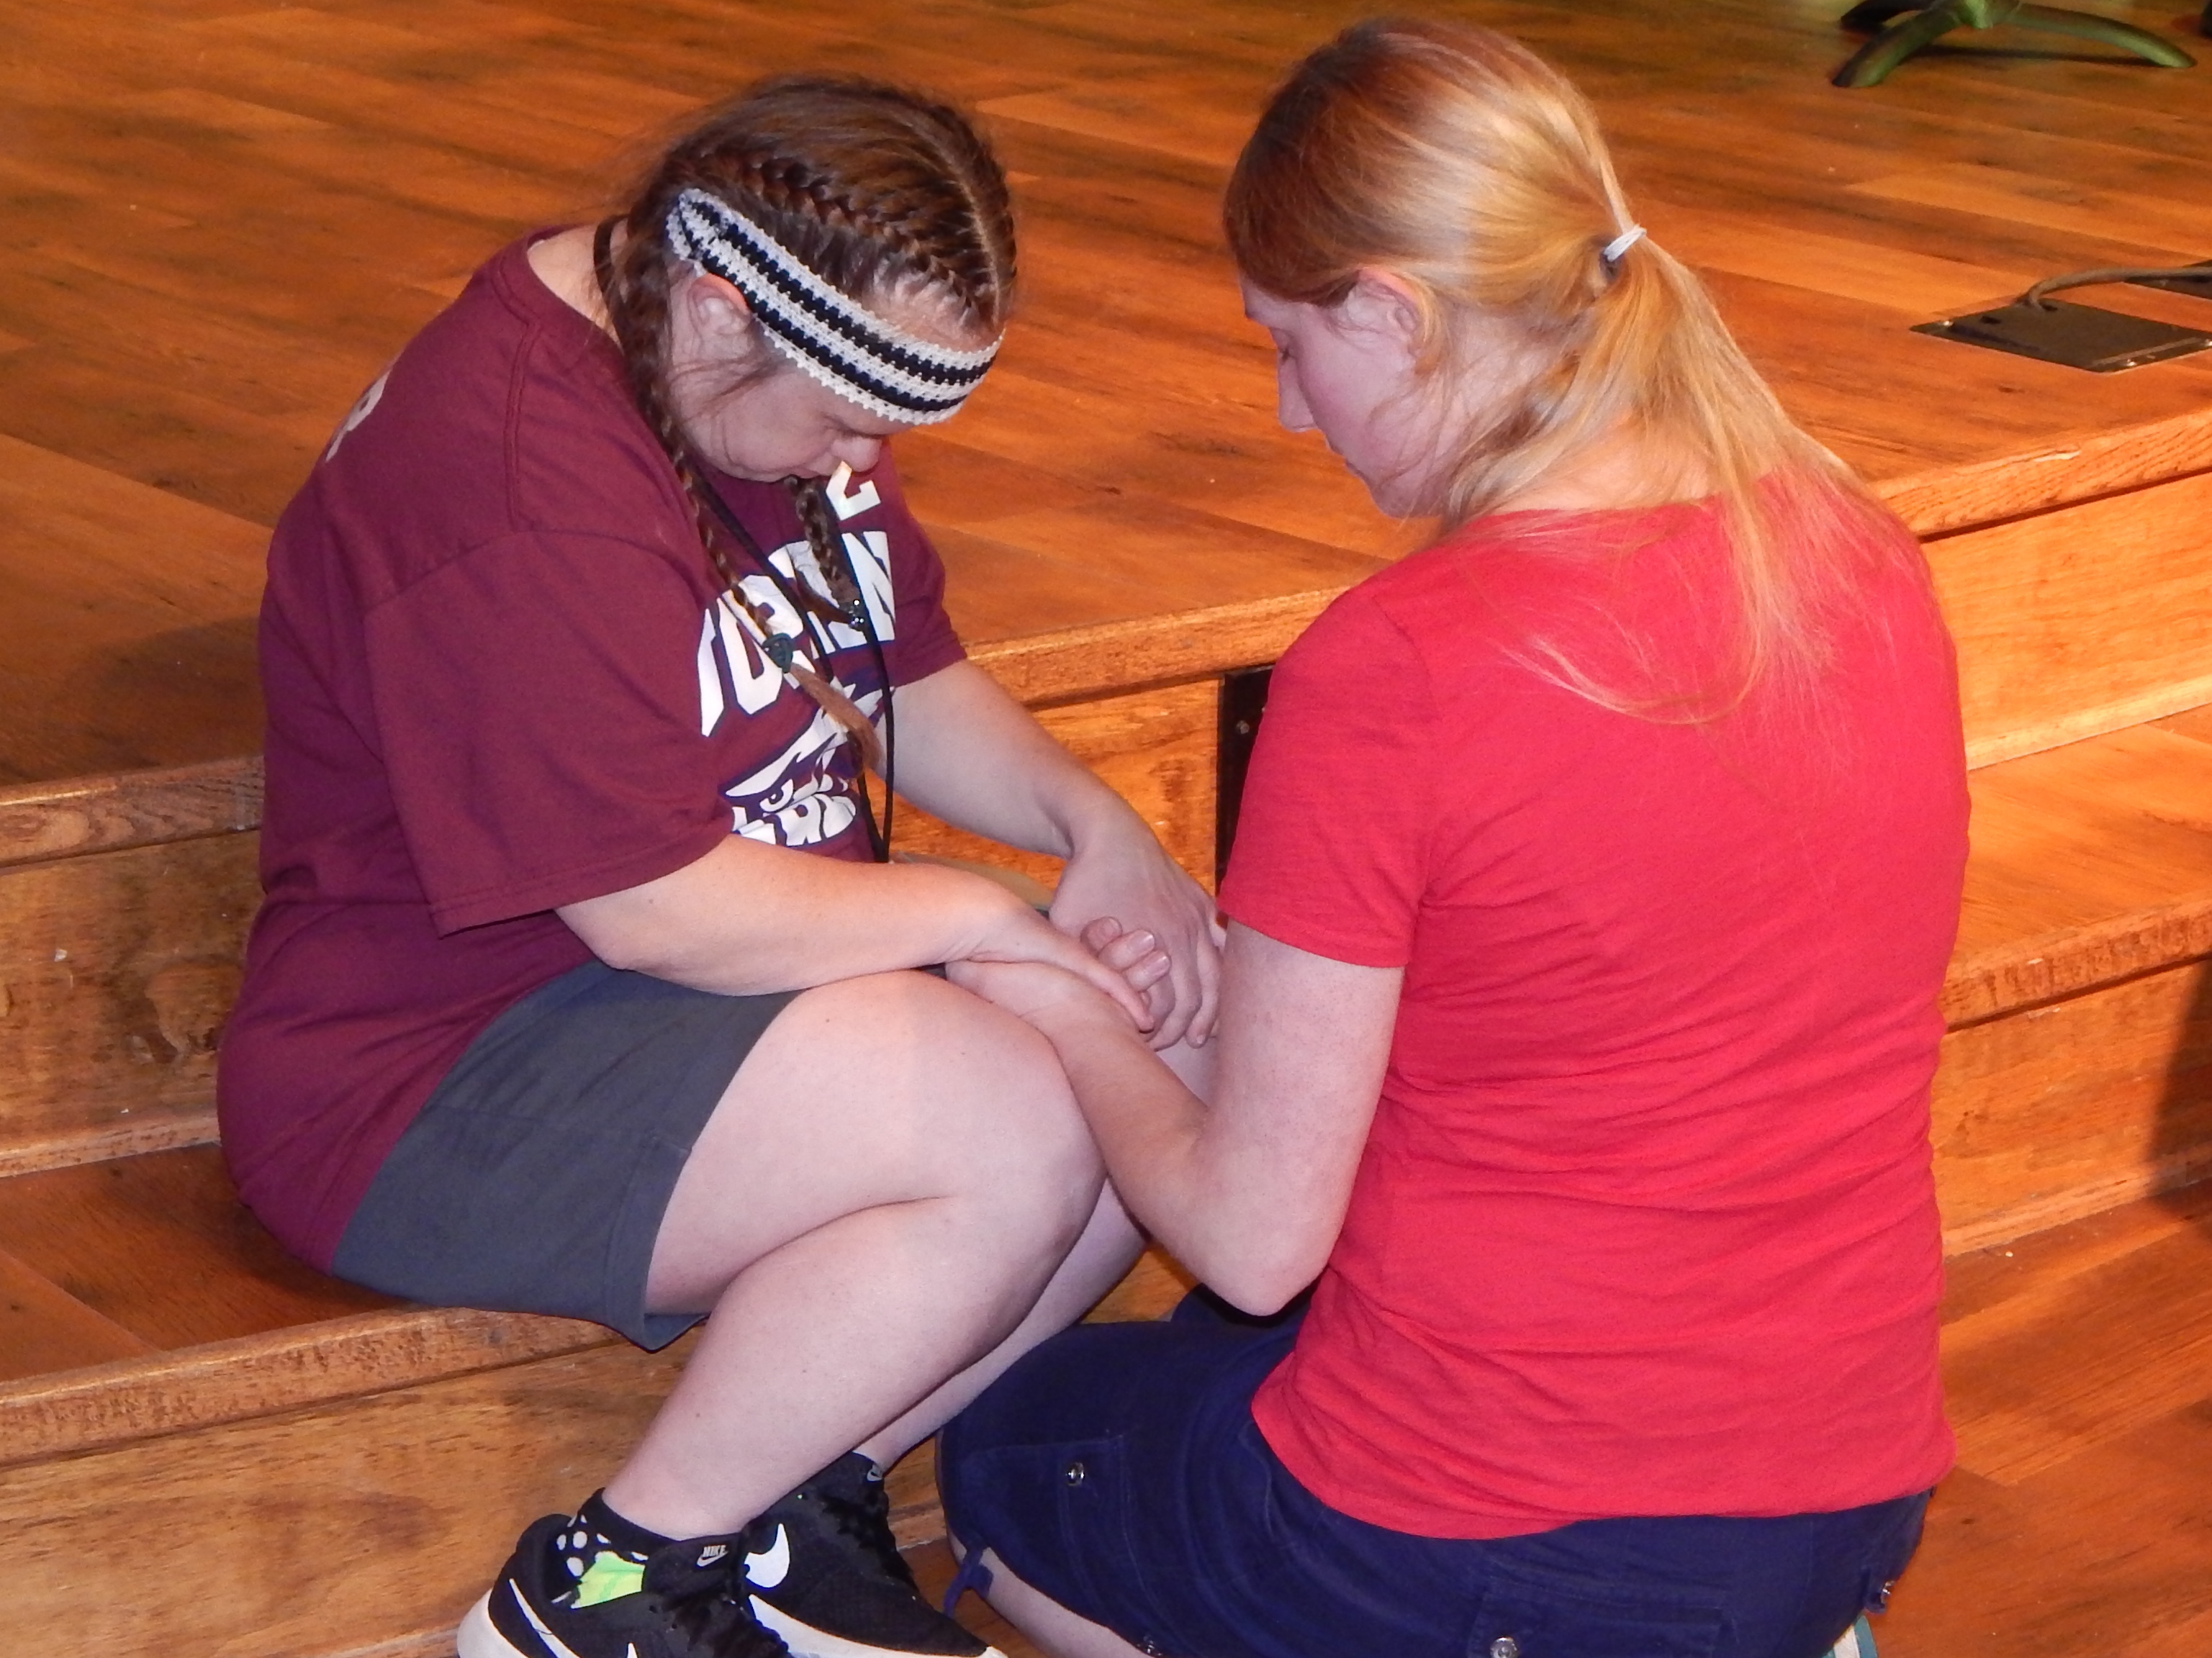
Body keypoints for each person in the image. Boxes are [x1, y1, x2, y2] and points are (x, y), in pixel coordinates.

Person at [935, 18, 1968, 1658]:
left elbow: (1257, 1240)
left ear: (1392, 313)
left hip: (1507, 1537)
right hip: (1844, 1502)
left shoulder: (1400, 663)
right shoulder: (1850, 546)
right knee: (1214, 1360)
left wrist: (1058, 1002)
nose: (1288, 411)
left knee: (1016, 1446)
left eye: (1289, 344)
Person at [216, 75, 1220, 1658]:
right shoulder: (517, 483)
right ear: (711, 299)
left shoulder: (719, 354)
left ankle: (793, 1518)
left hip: (671, 990)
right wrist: (993, 916)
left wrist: (1106, 834)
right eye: (843, 421)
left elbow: (902, 665)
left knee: (1163, 1033)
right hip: (434, 1064)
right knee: (1025, 1094)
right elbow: (659, 909)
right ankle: (607, 1584)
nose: (862, 456)